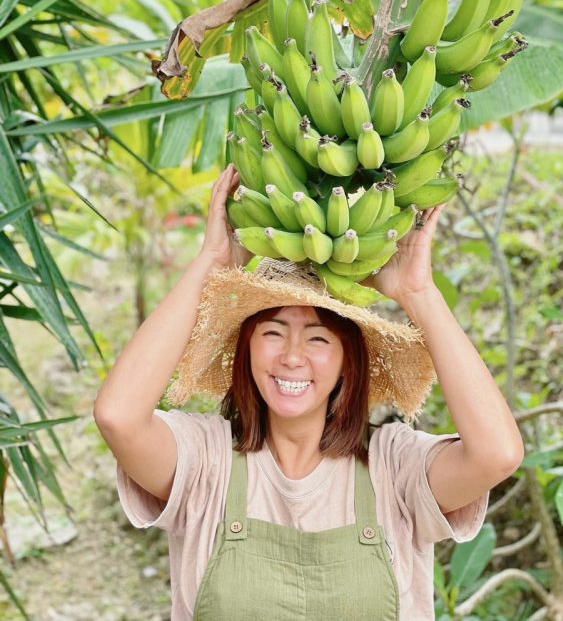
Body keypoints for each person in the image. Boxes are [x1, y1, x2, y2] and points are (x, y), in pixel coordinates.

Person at [93, 163, 524, 620]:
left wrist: (420, 294)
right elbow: (118, 416)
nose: (292, 356)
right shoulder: (206, 461)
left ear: (347, 363)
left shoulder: (394, 467)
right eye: (273, 333)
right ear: (247, 350)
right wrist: (211, 265)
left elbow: (496, 454)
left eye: (318, 339)